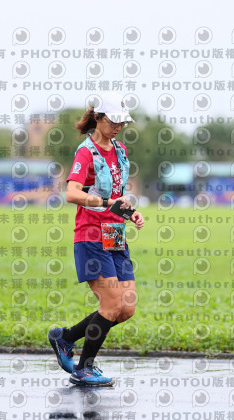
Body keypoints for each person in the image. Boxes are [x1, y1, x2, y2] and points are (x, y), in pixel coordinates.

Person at [48, 92, 144, 387]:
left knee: (125, 308)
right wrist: (104, 203)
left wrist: (130, 212)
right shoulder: (85, 152)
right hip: (91, 235)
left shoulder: (120, 150)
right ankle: (84, 368)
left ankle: (65, 338)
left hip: (115, 233)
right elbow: (72, 193)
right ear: (99, 118)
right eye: (113, 121)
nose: (118, 127)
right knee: (111, 303)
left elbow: (116, 196)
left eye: (122, 123)